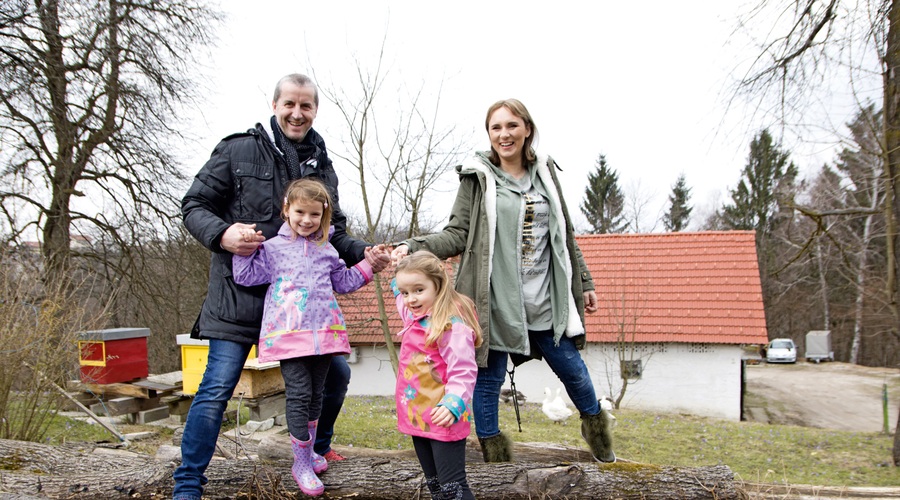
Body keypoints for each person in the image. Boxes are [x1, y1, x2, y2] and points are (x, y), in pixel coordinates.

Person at [177, 73, 390, 500]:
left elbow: (336, 233)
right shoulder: (238, 149)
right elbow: (194, 204)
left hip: (298, 314)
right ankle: (188, 483)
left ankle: (313, 452)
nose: (297, 113)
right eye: (290, 104)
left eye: (306, 105)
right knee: (217, 387)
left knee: (338, 374)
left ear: (314, 110)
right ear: (275, 105)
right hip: (239, 300)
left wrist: (369, 253)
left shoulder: (320, 162)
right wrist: (224, 235)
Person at [391, 98, 615, 463]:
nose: (504, 134)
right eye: (496, 127)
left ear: (527, 128)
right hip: (493, 301)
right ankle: (495, 457)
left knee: (572, 369)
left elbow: (565, 233)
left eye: (511, 125)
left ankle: (597, 431)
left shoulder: (546, 172)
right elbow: (456, 234)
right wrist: (412, 245)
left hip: (543, 297)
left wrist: (585, 281)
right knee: (487, 379)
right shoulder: (477, 177)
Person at [232, 179, 388, 496]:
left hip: (325, 337)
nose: (307, 220)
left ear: (324, 215)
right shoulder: (272, 249)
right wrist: (243, 246)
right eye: (300, 211)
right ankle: (300, 462)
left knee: (317, 394)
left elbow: (343, 282)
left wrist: (370, 265)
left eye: (314, 214)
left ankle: (311, 452)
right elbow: (245, 275)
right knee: (300, 394)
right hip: (290, 337)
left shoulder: (326, 249)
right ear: (287, 210)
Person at [391, 251, 482, 500]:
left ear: (439, 285)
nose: (410, 298)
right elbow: (400, 292)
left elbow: (464, 370)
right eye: (406, 292)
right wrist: (398, 263)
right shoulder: (414, 313)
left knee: (453, 488)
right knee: (436, 487)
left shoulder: (451, 325)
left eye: (419, 290)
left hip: (445, 414)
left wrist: (454, 403)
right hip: (418, 415)